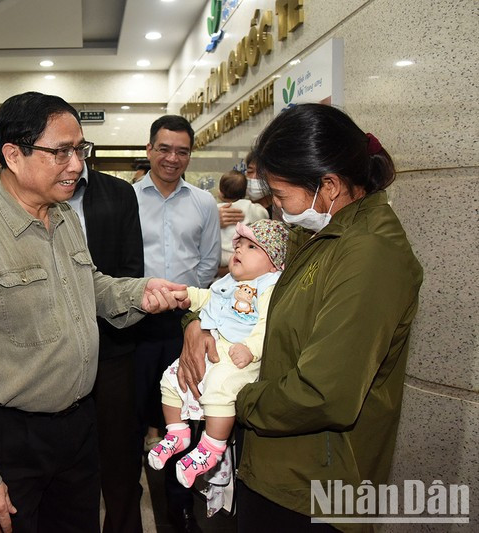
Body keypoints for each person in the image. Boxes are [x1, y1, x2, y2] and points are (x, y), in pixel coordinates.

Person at [0, 91, 189, 533]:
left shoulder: (64, 216)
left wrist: (139, 293)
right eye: (60, 152)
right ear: (13, 154)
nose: (76, 164)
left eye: (79, 149)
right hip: (8, 443)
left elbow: (88, 286)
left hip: (78, 431)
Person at [177, 103, 423, 530]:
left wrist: (231, 398)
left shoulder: (369, 254)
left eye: (281, 193)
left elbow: (323, 393)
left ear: (328, 184)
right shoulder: (319, 233)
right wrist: (196, 325)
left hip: (315, 488)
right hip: (277, 469)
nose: (275, 205)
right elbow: (244, 291)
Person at [148, 220, 288, 491]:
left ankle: (212, 448)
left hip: (239, 356)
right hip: (216, 348)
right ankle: (177, 432)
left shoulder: (269, 288)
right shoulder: (229, 281)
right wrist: (186, 296)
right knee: (172, 377)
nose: (239, 250)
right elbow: (208, 296)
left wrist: (250, 350)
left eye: (251, 247)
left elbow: (267, 326)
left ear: (273, 264)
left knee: (220, 389)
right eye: (238, 245)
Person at [133, 114, 220, 532]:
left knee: (184, 419)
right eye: (164, 149)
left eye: (181, 151)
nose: (172, 158)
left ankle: (180, 507)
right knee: (132, 416)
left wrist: (186, 303)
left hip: (185, 326)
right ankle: (127, 501)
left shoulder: (203, 203)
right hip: (134, 327)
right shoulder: (127, 199)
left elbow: (208, 263)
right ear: (149, 149)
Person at [67, 162, 145, 532]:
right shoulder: (36, 198)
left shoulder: (116, 193)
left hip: (112, 344)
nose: (72, 157)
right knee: (69, 458)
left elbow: (130, 270)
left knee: (119, 453)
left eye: (78, 146)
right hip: (56, 351)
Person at [216, 170, 268, 275]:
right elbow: (264, 215)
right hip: (238, 254)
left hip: (219, 257)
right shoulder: (249, 207)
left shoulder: (216, 209)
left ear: (220, 192)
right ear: (245, 192)